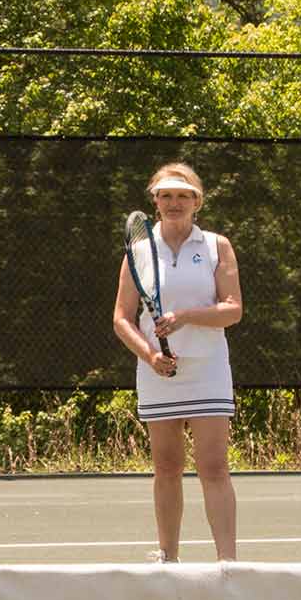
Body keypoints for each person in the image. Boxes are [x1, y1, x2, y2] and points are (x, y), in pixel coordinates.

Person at [111, 162, 242, 563]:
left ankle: (228, 563)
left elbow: (232, 309)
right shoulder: (137, 252)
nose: (174, 202)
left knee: (213, 467)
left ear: (197, 201)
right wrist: (150, 355)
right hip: (158, 375)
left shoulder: (217, 246)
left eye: (182, 195)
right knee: (166, 467)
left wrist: (185, 316)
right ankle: (168, 557)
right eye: (165, 195)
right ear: (155, 201)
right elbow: (121, 318)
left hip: (207, 370)